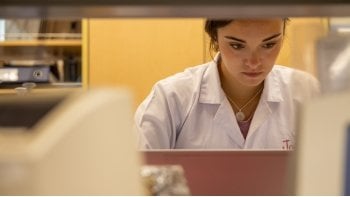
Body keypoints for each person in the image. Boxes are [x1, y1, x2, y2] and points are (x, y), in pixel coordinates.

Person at [134, 18, 319, 149]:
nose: (254, 62)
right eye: (237, 46)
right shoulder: (170, 98)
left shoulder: (306, 91)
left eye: (268, 45)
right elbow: (134, 182)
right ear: (215, 38)